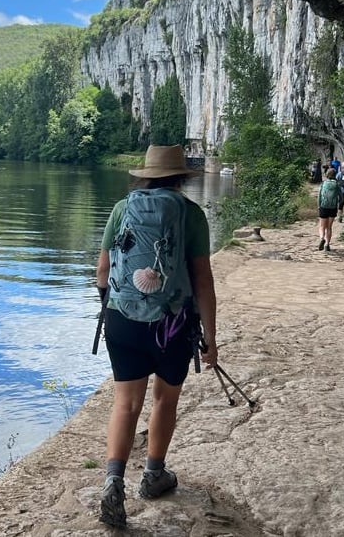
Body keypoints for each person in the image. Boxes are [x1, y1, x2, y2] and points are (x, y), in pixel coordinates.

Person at [94, 144, 218, 528]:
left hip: (122, 319)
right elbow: (202, 280)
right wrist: (210, 336)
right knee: (165, 400)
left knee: (125, 404)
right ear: (180, 177)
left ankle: (113, 481)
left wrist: (111, 307)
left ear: (145, 174)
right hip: (172, 325)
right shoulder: (191, 214)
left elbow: (102, 271)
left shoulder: (121, 208)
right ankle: (153, 475)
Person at [318, 168, 342, 251]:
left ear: (327, 174)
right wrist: (338, 204)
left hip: (323, 206)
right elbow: (341, 198)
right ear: (335, 175)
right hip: (333, 208)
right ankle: (327, 245)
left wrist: (319, 206)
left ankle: (322, 238)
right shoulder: (337, 184)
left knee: (322, 226)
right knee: (329, 227)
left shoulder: (323, 184)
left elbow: (319, 196)